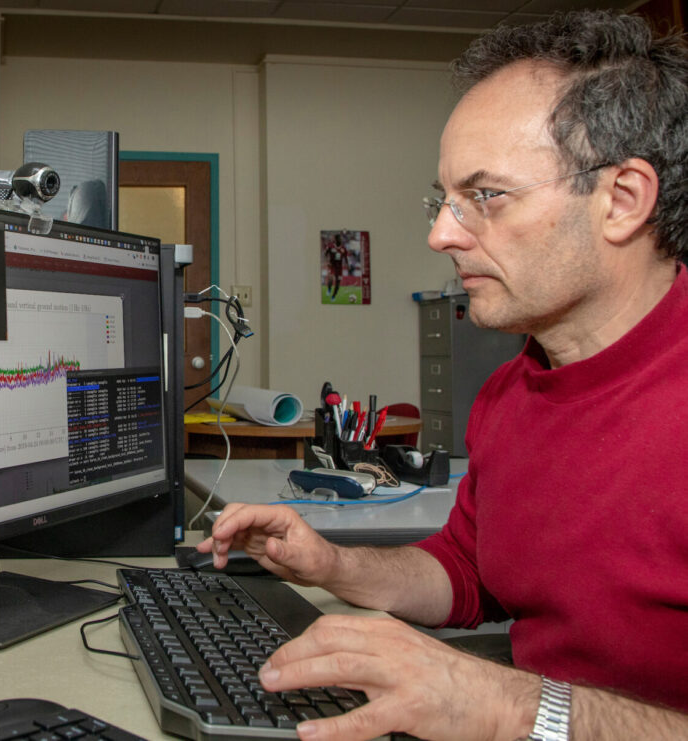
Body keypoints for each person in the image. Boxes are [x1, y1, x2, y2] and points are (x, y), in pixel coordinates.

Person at [198, 10, 688, 740]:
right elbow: (468, 572)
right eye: (445, 199)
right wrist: (330, 562)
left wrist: (506, 705)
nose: (440, 235)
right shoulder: (506, 397)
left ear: (622, 199)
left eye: (486, 197)